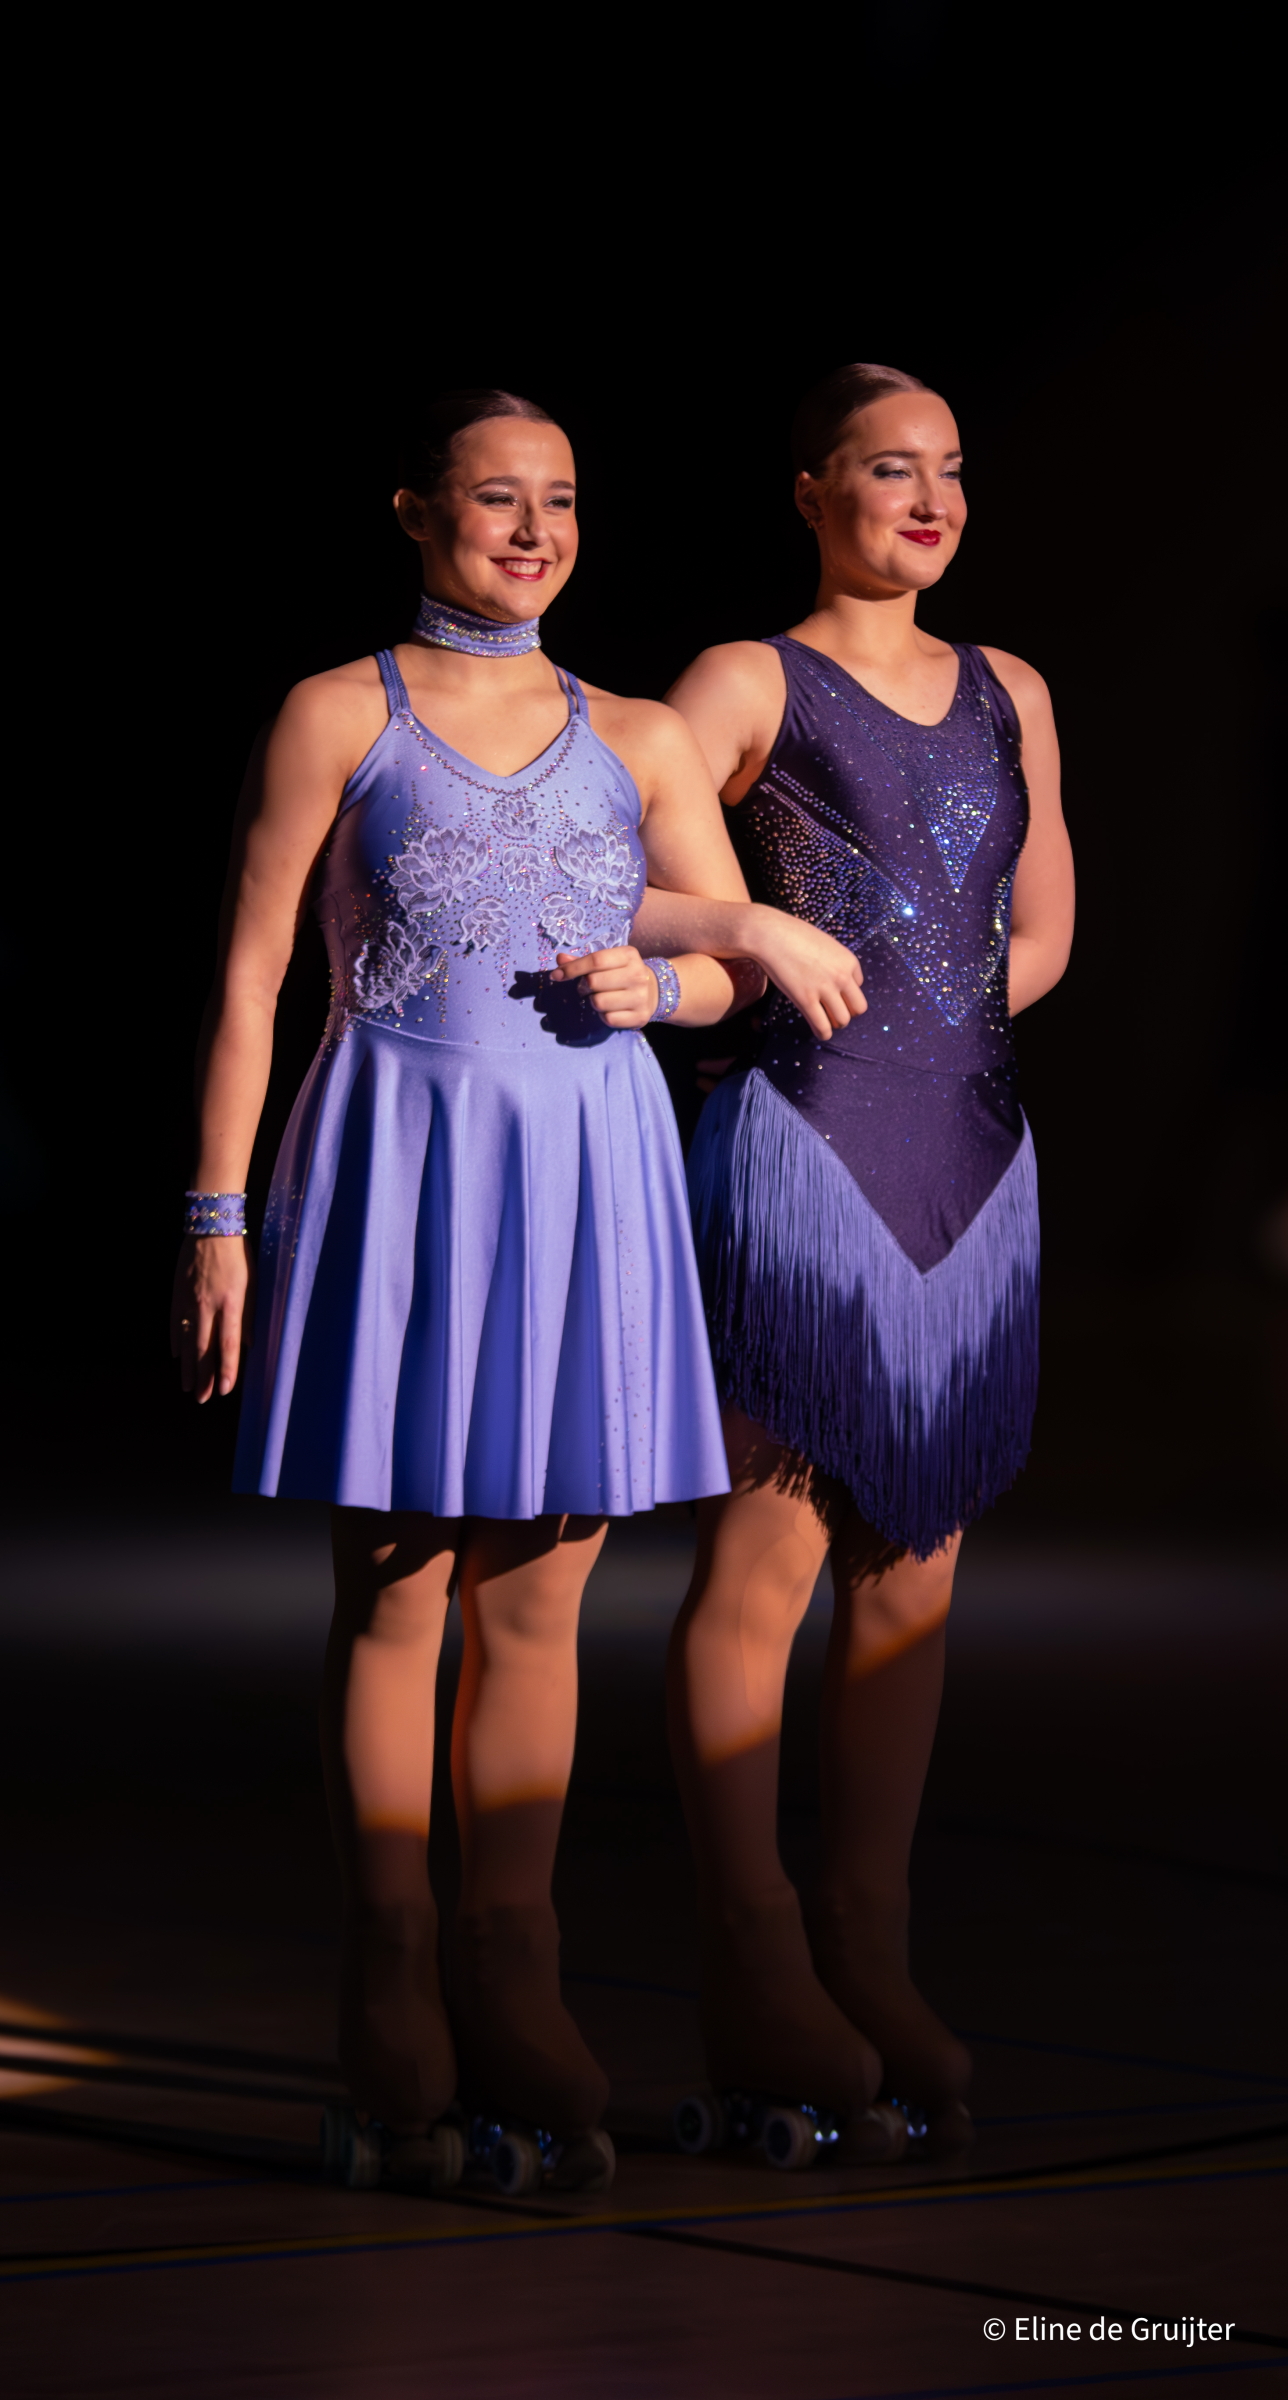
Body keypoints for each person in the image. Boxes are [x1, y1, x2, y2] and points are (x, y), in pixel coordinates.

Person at [170, 388, 862, 2189]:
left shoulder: (637, 732)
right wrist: (215, 1219)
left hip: (586, 1175)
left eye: (559, 500)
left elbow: (721, 960)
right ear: (417, 511)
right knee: (402, 1590)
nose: (536, 531)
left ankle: (512, 1962)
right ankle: (392, 1963)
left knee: (541, 1606)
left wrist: (677, 983)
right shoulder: (339, 712)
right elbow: (252, 977)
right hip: (404, 1162)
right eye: (497, 498)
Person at [662, 363, 1075, 2155]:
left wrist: (941, 1025)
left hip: (969, 1150)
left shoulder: (1014, 688)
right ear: (812, 490)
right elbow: (624, 871)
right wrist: (755, 942)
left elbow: (1040, 929)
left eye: (951, 471)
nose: (930, 499)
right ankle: (751, 1948)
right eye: (891, 468)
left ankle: (866, 1938)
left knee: (914, 1572)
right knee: (769, 1558)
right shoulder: (746, 680)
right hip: (807, 1142)